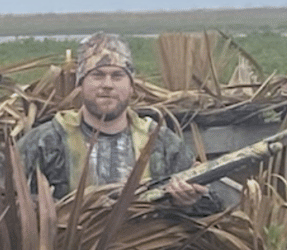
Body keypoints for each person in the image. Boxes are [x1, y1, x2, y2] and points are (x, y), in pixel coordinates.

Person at [16, 32, 213, 207]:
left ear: (131, 86)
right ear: (80, 84)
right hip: (70, 248)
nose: (107, 85)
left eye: (117, 76)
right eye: (97, 75)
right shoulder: (47, 141)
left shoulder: (159, 141)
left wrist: (188, 201)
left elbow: (211, 203)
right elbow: (2, 198)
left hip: (142, 246)